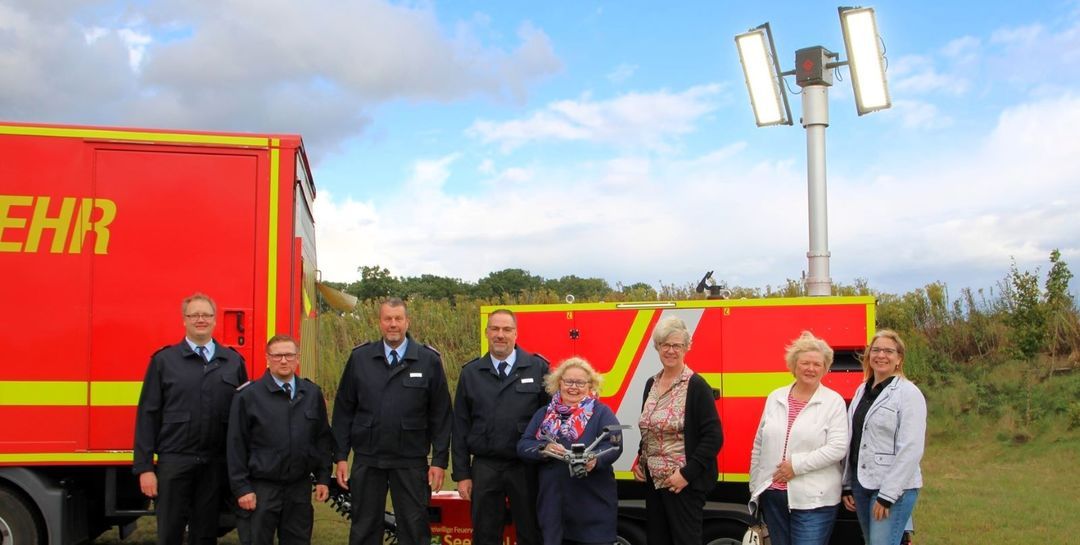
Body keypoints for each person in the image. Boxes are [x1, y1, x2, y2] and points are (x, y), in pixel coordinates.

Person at [332, 297, 453, 545]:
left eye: (398, 318)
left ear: (407, 321)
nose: (393, 324)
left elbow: (441, 415)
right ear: (380, 323)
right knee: (364, 526)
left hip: (410, 460)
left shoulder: (428, 360)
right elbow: (344, 410)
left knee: (414, 526)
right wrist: (341, 456)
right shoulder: (361, 358)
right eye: (388, 319)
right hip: (368, 457)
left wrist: (439, 461)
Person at [133, 293, 249, 545]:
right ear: (184, 320)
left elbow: (243, 418)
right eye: (194, 315)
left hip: (214, 463)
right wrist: (144, 468)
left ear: (215, 320)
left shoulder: (232, 361)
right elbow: (147, 415)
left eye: (206, 315)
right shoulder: (164, 361)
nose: (200, 320)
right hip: (175, 461)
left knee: (206, 533)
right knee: (170, 530)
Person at [452, 309, 548, 545]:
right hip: (486, 467)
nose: (500, 335)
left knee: (531, 532)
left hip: (525, 468)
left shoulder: (538, 368)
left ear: (516, 333)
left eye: (506, 329)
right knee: (485, 534)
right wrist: (462, 474)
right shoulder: (471, 373)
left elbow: (550, 421)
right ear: (486, 332)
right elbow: (460, 426)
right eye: (494, 329)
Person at [227, 334, 332, 545]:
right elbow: (235, 446)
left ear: (297, 359)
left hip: (299, 488)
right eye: (277, 356)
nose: (283, 361)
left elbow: (321, 439)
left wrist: (322, 477)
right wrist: (242, 488)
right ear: (267, 359)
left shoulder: (311, 393)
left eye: (289, 355)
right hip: (261, 489)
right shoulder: (249, 396)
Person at [748, 331, 848, 545]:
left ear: (825, 368)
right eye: (805, 363)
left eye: (817, 364)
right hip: (773, 496)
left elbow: (838, 447)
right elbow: (759, 444)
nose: (810, 369)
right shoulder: (775, 397)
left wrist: (796, 466)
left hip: (815, 499)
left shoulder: (833, 401)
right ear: (794, 365)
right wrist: (756, 486)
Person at [631, 316, 723, 545]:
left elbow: (713, 437)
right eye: (665, 345)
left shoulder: (696, 385)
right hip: (654, 482)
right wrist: (639, 459)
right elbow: (649, 428)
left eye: (677, 345)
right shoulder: (651, 384)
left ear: (686, 348)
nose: (670, 350)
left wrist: (686, 475)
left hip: (683, 484)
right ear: (657, 347)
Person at [517, 357, 622, 545]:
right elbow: (524, 445)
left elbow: (614, 445)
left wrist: (595, 460)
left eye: (580, 382)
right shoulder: (544, 414)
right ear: (559, 383)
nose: (574, 387)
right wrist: (544, 449)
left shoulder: (601, 413)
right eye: (568, 381)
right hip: (553, 506)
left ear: (590, 385)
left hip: (592, 505)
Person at [842, 329, 926, 545]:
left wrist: (887, 496)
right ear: (869, 355)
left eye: (889, 351)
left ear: (899, 358)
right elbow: (856, 441)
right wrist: (848, 484)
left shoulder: (909, 393)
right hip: (862, 486)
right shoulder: (863, 390)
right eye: (876, 350)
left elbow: (911, 448)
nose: (881, 355)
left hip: (893, 489)